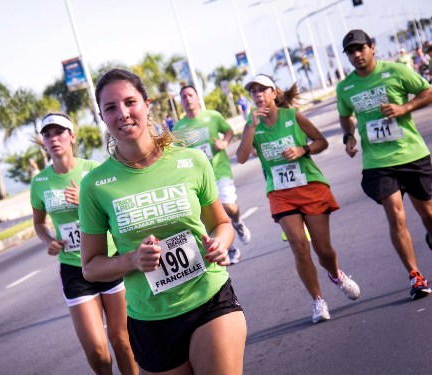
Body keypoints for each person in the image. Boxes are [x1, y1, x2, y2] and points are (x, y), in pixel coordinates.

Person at [79, 68, 247, 374]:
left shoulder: (192, 161)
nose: (123, 114)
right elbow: (90, 266)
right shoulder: (95, 185)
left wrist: (220, 244)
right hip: (150, 320)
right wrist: (131, 260)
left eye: (130, 102)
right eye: (111, 108)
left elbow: (221, 224)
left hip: (208, 295)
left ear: (147, 104)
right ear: (102, 117)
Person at [236, 74, 361, 323]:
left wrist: (303, 149)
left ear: (274, 93)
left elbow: (321, 142)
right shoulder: (252, 124)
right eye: (253, 91)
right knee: (298, 244)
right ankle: (318, 301)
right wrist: (250, 127)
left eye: (263, 89)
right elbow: (240, 157)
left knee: (323, 249)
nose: (258, 94)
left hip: (310, 185)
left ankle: (335, 274)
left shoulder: (293, 116)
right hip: (281, 193)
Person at [30, 112, 137, 375]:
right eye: (47, 134)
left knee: (122, 342)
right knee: (98, 353)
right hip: (74, 269)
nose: (54, 139)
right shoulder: (40, 182)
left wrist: (86, 201)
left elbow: (117, 211)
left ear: (72, 136)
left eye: (59, 132)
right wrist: (48, 239)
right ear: (43, 142)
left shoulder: (92, 171)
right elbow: (39, 222)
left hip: (108, 261)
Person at [337, 29, 432, 300]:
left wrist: (404, 109)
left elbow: (427, 92)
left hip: (411, 154)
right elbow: (345, 116)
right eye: (351, 52)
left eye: (360, 49)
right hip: (377, 162)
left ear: (372, 48)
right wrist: (349, 136)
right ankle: (415, 275)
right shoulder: (345, 87)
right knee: (395, 213)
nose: (356, 55)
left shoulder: (396, 71)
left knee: (428, 214)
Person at [173, 85, 252, 265]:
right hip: (198, 179)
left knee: (228, 207)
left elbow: (229, 130)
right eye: (183, 96)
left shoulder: (213, 116)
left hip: (219, 169)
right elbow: (177, 153)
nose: (187, 98)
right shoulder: (179, 127)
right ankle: (231, 249)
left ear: (197, 97)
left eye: (190, 94)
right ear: (181, 101)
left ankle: (238, 222)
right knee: (212, 219)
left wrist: (224, 142)